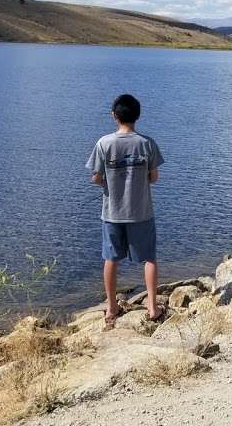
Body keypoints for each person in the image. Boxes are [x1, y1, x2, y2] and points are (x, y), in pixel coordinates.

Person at [86, 94, 165, 329]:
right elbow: (154, 177)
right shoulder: (146, 143)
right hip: (141, 212)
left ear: (114, 115)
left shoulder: (104, 143)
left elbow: (96, 178)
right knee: (148, 258)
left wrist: (110, 181)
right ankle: (152, 307)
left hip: (112, 213)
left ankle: (111, 308)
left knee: (110, 258)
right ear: (137, 116)